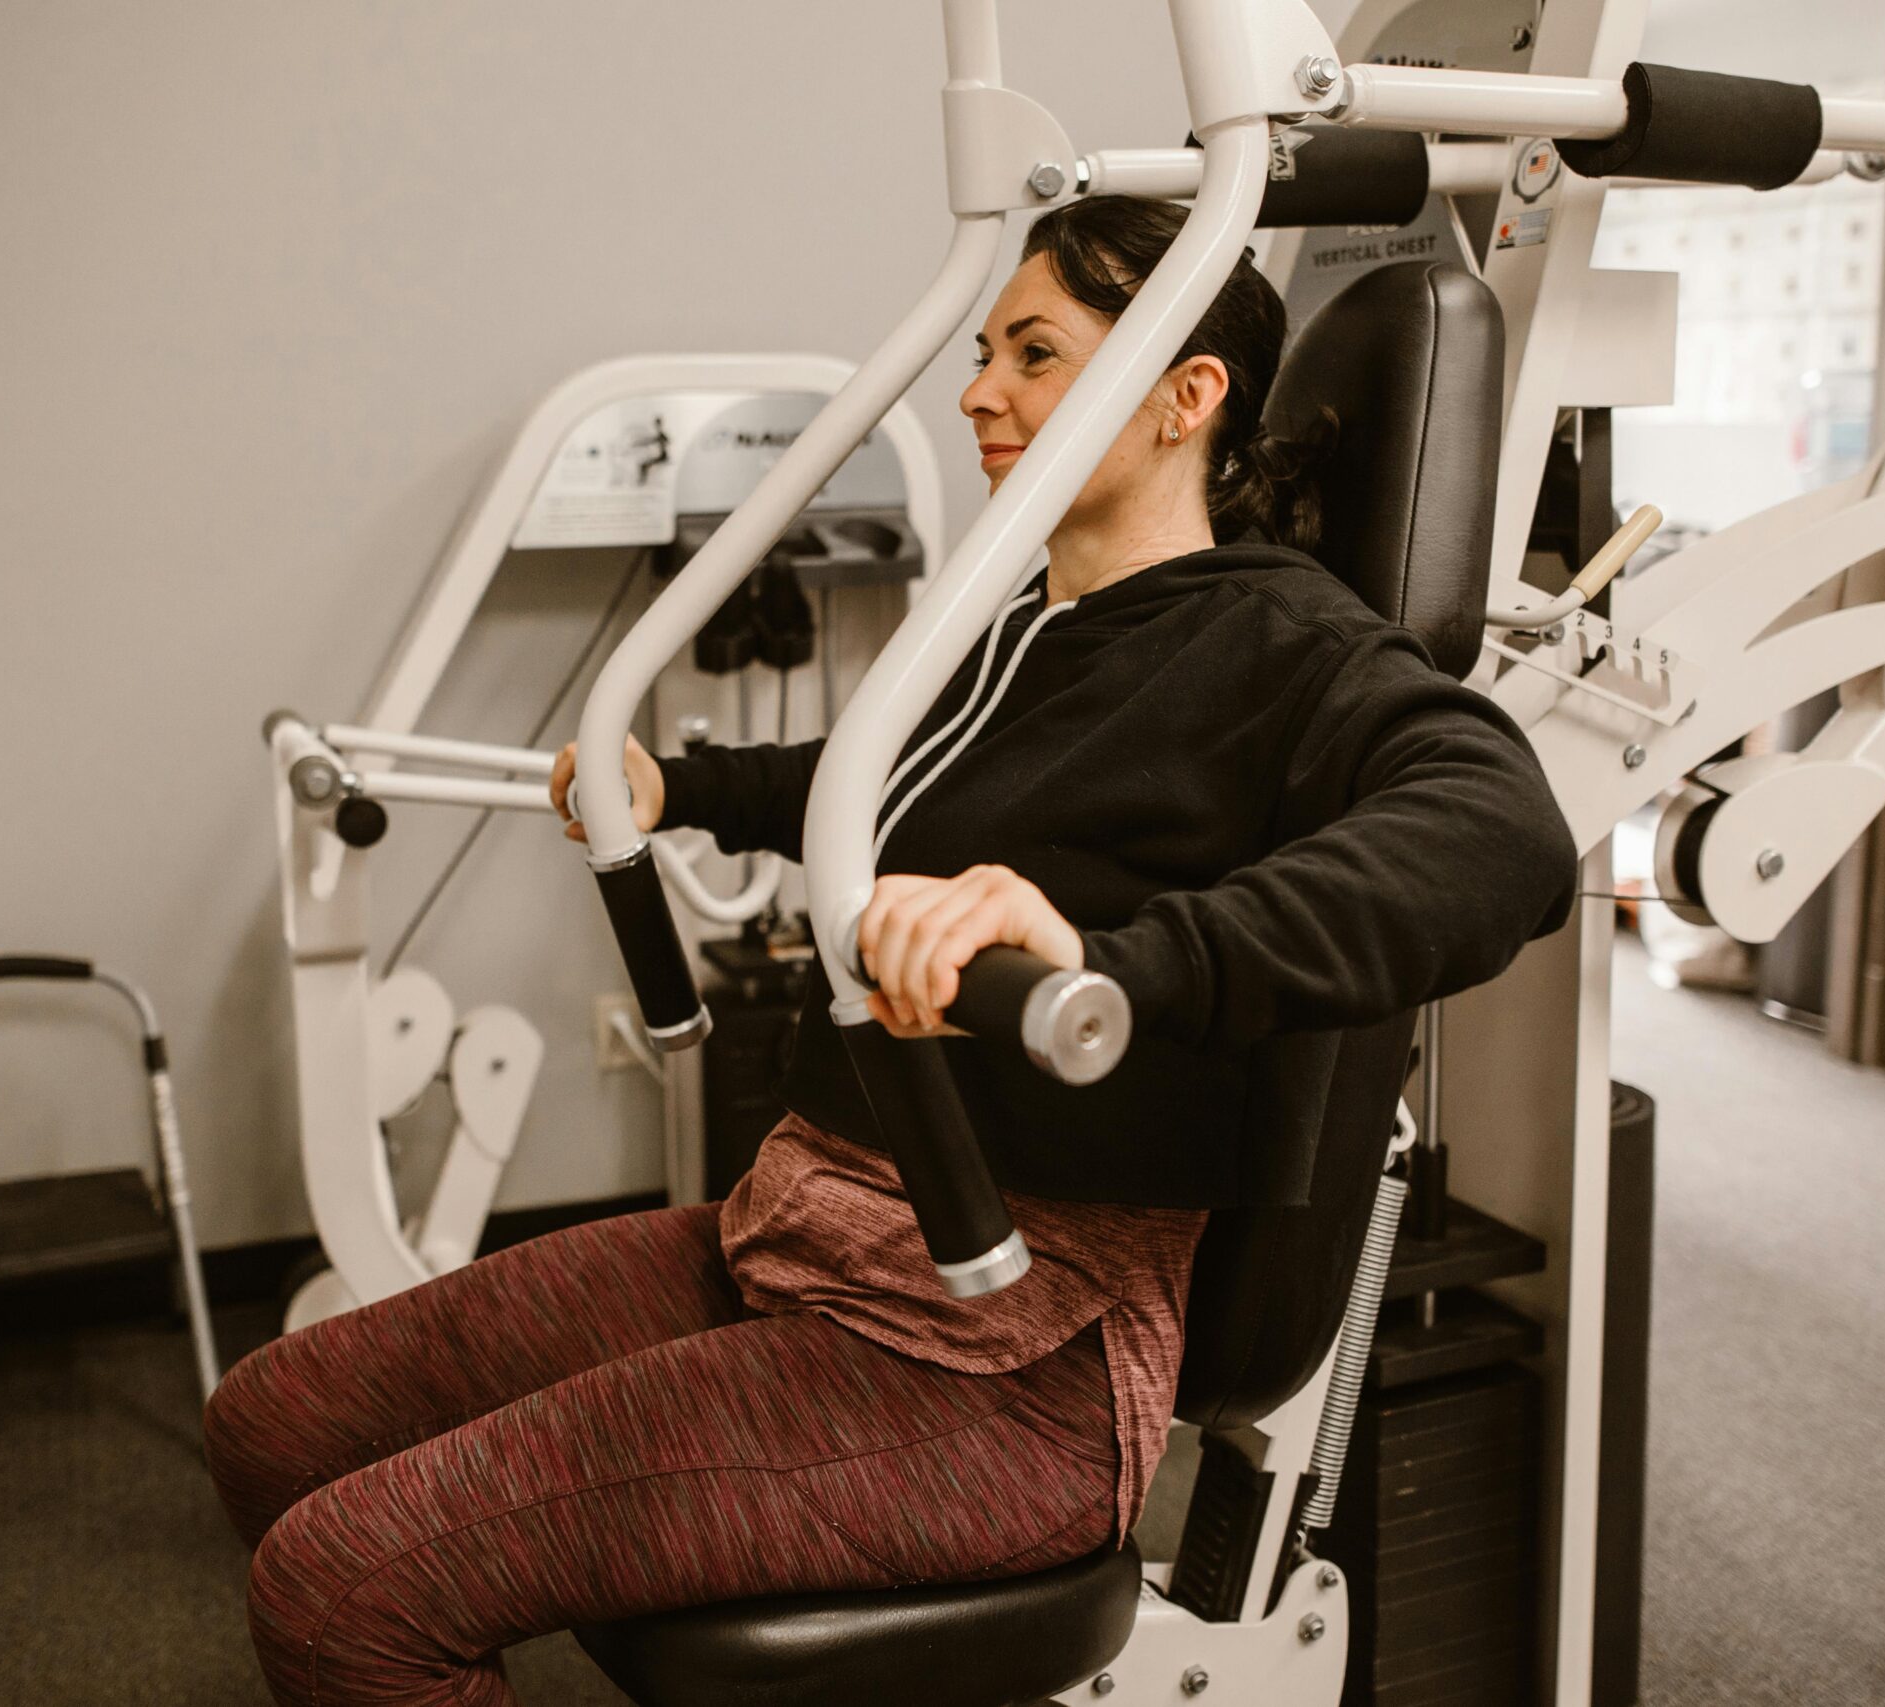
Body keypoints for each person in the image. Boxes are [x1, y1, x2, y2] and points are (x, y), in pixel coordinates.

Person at [202, 196, 1579, 1707]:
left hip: (996, 1370)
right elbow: (882, 781)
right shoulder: (1014, 628)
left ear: (1187, 399)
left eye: (1035, 354)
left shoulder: (1281, 647)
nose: (980, 391)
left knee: (343, 1595)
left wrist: (1116, 958)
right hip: (796, 1249)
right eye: (985, 351)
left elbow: (1506, 834)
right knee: (273, 1422)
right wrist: (687, 792)